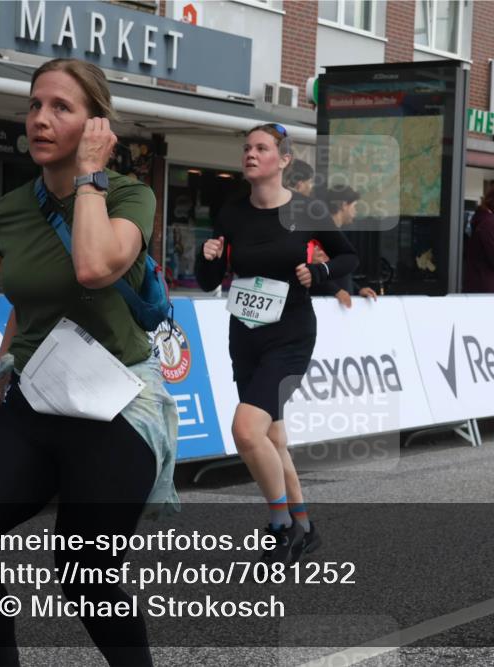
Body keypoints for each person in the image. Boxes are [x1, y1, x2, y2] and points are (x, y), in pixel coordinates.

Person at [0, 58, 179, 667]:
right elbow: (28, 305)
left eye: (62, 108)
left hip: (119, 406)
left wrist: (92, 175)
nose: (40, 119)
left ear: (95, 124)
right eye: (34, 105)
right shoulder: (14, 208)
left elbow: (95, 267)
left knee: (84, 575)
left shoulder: (131, 194)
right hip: (42, 396)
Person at [196, 123, 358, 563]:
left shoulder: (307, 210)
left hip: (290, 336)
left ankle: (280, 526)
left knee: (246, 431)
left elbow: (347, 256)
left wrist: (321, 274)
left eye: (261, 148)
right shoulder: (231, 212)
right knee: (272, 437)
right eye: (246, 147)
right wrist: (207, 256)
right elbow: (210, 280)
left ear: (283, 160)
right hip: (244, 335)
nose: (250, 153)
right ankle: (304, 525)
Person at [310, 183, 378, 307]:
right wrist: (335, 291)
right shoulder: (322, 235)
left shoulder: (335, 234)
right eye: (354, 206)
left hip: (338, 307)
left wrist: (358, 290)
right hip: (325, 308)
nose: (355, 211)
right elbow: (311, 272)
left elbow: (339, 274)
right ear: (343, 205)